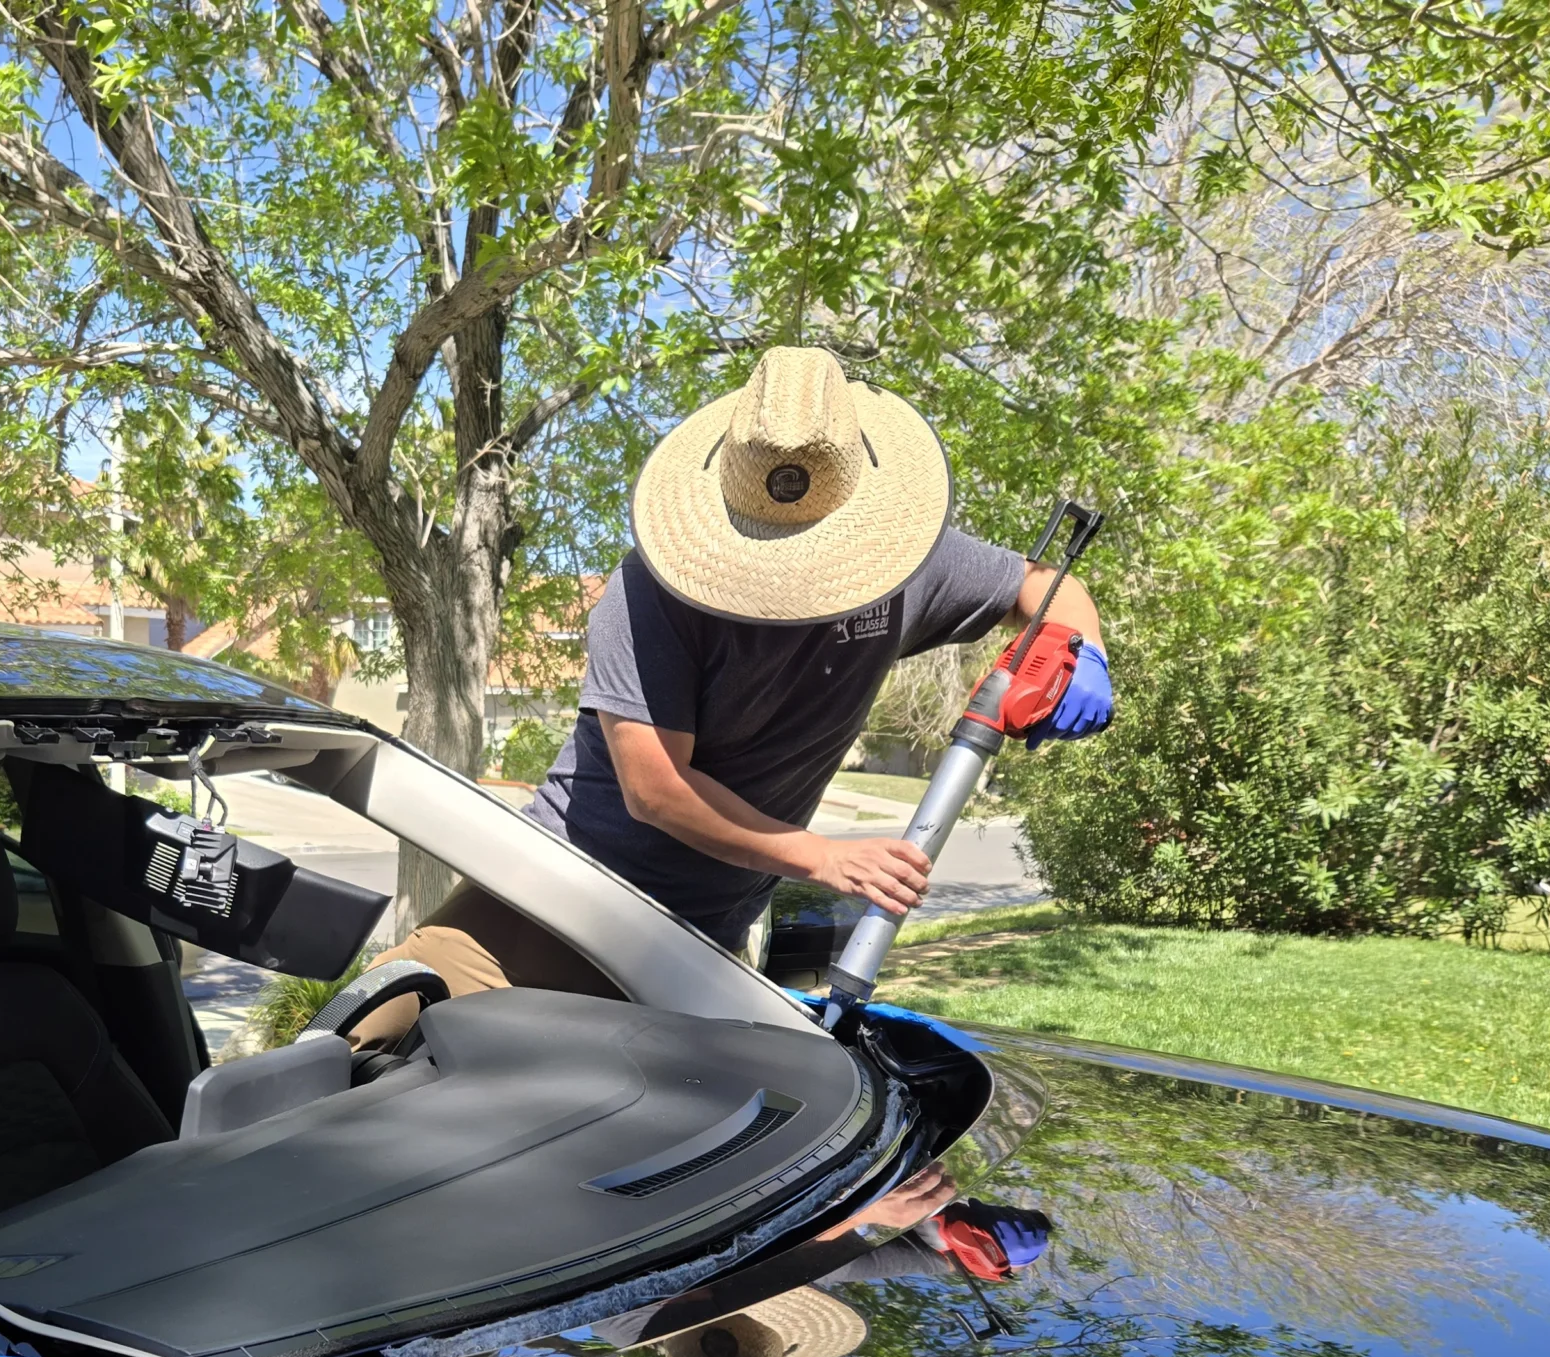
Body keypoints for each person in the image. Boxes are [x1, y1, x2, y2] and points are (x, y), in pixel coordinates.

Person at [352, 344, 1110, 1042]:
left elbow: (1043, 585)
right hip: (552, 905)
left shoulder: (911, 567)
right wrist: (819, 858)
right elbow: (655, 789)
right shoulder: (649, 594)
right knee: (357, 1066)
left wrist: (1077, 651)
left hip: (701, 939)